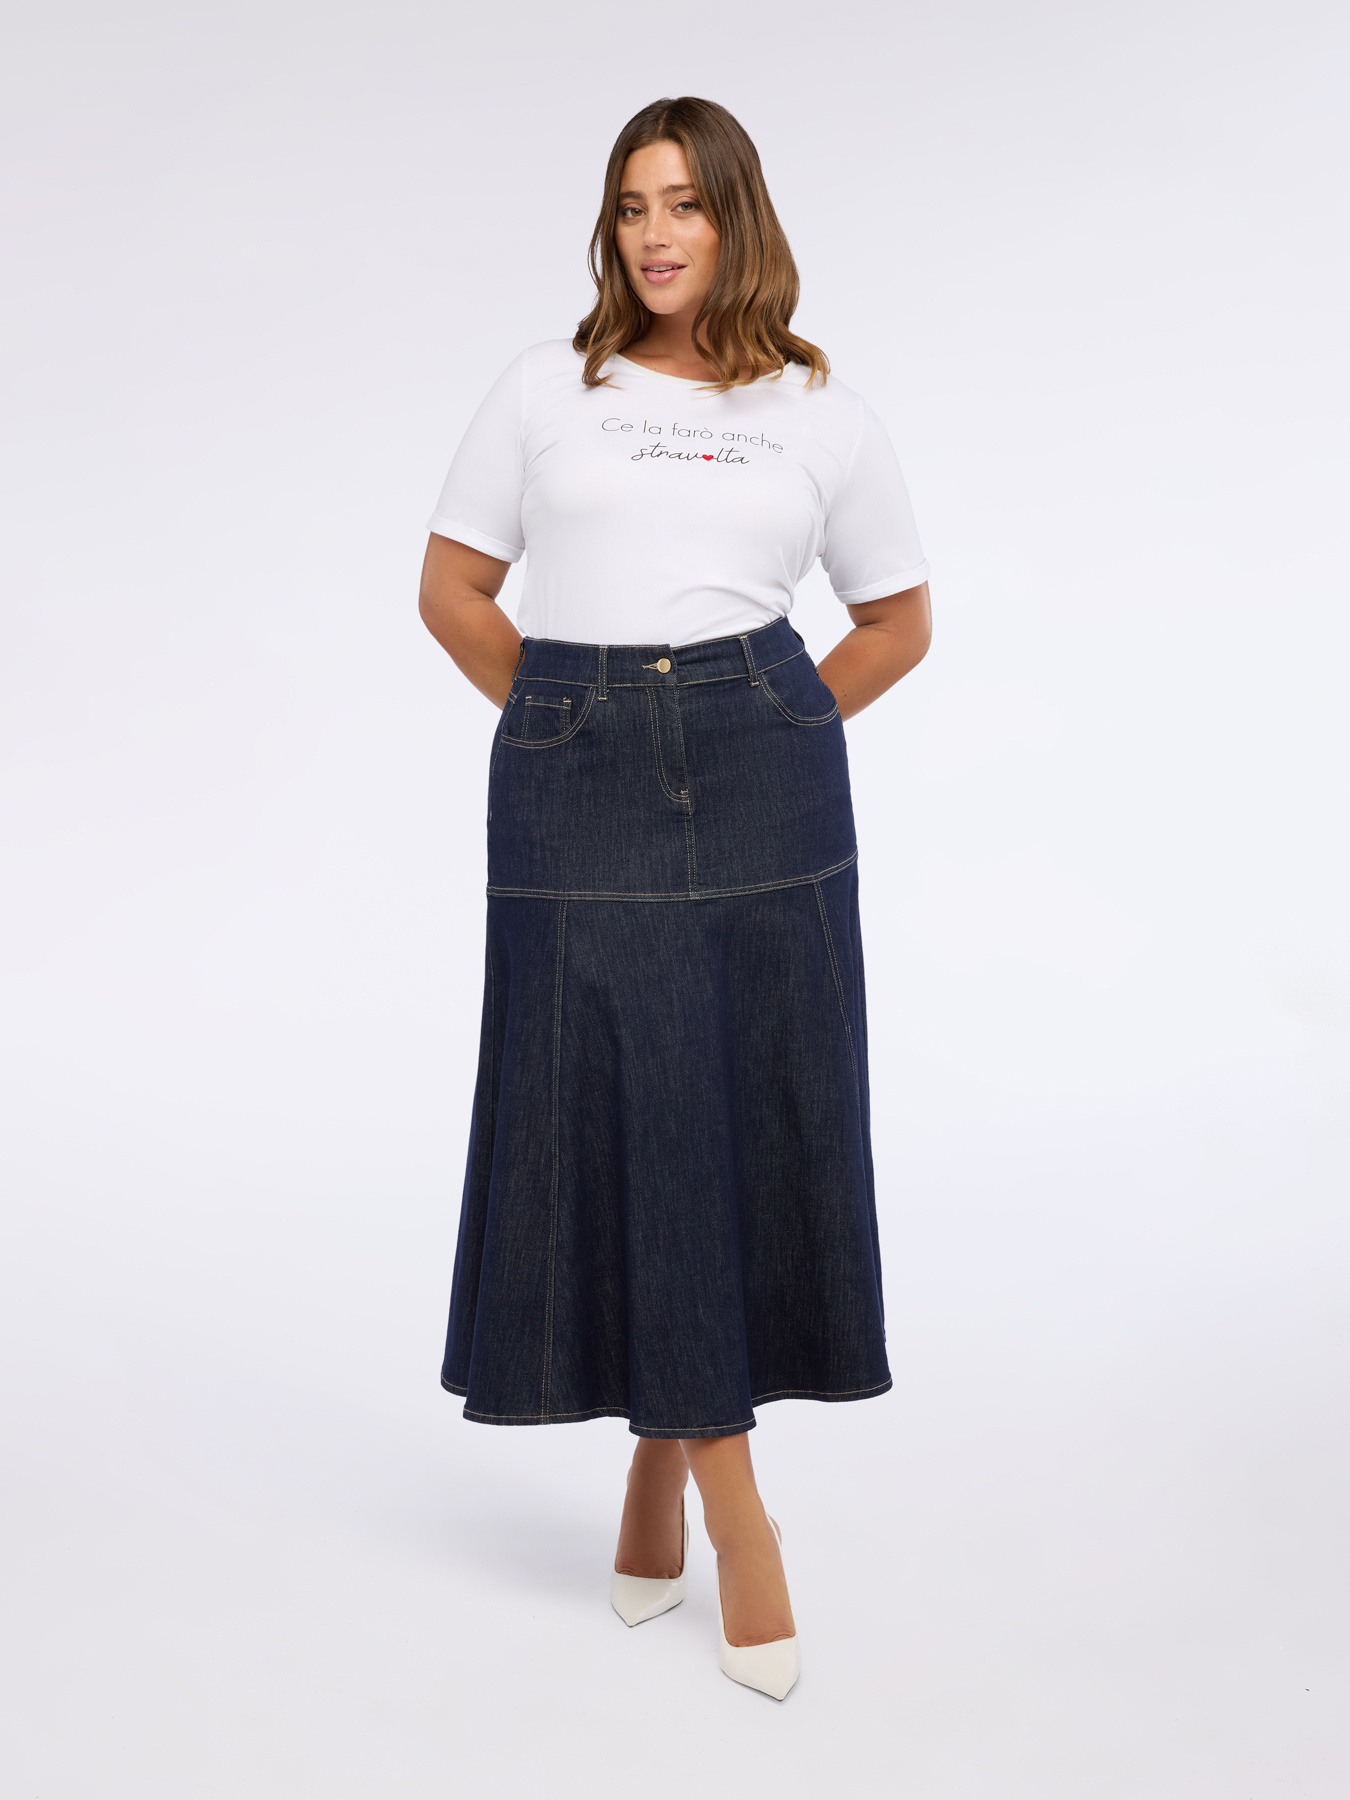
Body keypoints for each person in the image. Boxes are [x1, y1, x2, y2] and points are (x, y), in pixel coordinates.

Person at [418, 95, 931, 1701]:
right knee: (606, 1104)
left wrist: (767, 722)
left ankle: (665, 1468)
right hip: (572, 769)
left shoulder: (820, 410)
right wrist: (570, 721)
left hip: (763, 762)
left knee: (740, 1108)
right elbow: (452, 590)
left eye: (684, 204)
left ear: (735, 219)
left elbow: (897, 621)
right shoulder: (543, 388)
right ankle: (733, 1503)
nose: (653, 233)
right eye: (632, 205)